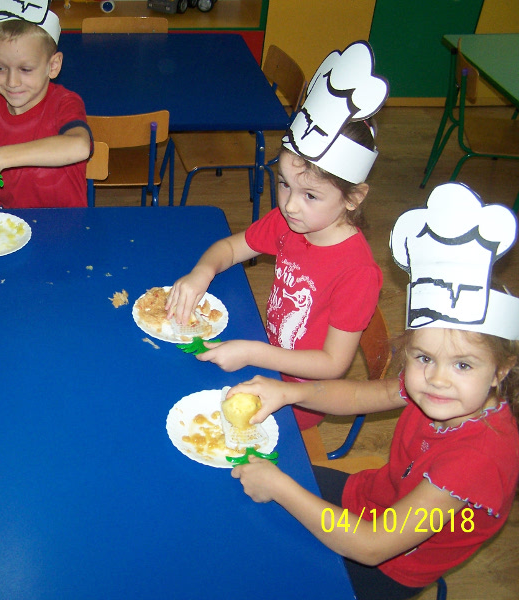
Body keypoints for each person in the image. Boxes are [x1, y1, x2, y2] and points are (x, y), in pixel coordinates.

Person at [226, 183, 519, 600]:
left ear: (501, 370)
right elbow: (358, 397)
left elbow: (371, 546)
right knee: (235, 492)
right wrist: (290, 393)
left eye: (463, 365)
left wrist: (280, 487)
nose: (437, 378)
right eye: (423, 357)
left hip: (390, 566)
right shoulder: (435, 389)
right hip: (367, 498)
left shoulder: (477, 461)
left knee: (255, 568)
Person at [166, 41, 388, 430]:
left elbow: (333, 364)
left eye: (310, 195)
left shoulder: (357, 272)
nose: (290, 205)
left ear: (354, 197)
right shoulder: (291, 223)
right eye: (284, 183)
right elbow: (230, 247)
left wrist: (253, 353)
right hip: (263, 353)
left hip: (296, 399)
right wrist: (202, 272)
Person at [0, 0, 92, 208]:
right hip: (13, 223)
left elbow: (79, 146)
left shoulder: (64, 103)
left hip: (67, 223)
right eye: (0, 68)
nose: (12, 82)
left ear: (53, 66)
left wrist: (1, 157)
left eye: (25, 69)